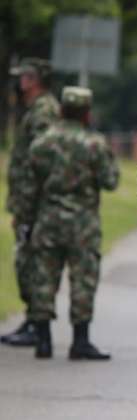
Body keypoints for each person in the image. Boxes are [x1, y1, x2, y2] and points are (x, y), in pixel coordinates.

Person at [17, 86, 119, 360]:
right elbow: (111, 181)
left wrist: (24, 222)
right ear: (87, 113)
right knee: (83, 280)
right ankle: (80, 342)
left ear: (61, 110)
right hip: (83, 224)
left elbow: (28, 189)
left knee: (44, 279)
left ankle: (43, 342)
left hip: (47, 220)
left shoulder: (42, 143)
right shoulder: (95, 144)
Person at [1, 58, 60, 347]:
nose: (19, 81)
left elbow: (41, 160)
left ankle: (37, 325)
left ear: (34, 79)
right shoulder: (38, 108)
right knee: (27, 260)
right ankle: (33, 320)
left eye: (23, 76)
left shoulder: (43, 111)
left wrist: (29, 206)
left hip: (34, 203)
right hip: (28, 201)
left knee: (31, 261)